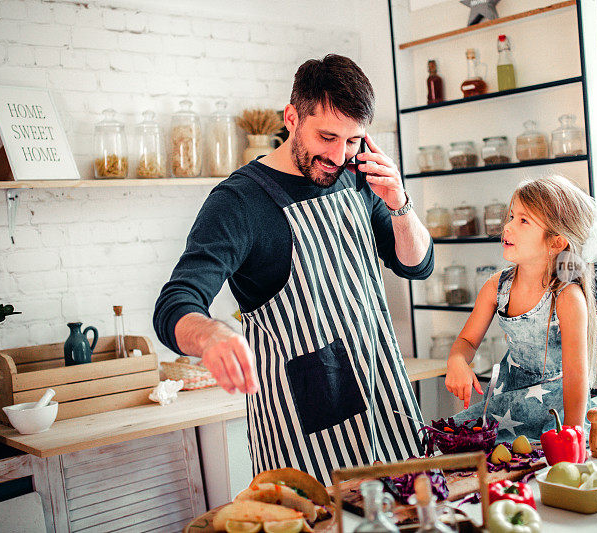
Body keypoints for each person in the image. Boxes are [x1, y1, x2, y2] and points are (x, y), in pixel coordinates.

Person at [153, 54, 434, 484]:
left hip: (384, 393)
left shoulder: (358, 175)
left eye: (354, 140)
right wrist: (211, 334)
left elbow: (415, 266)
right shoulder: (239, 203)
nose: (340, 156)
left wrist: (399, 203)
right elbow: (175, 302)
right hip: (303, 426)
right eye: (327, 137)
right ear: (292, 117)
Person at [444, 175, 597, 443]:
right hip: (508, 405)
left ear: (556, 242)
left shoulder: (567, 297)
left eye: (523, 221)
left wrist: (572, 436)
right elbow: (467, 341)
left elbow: (576, 381)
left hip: (556, 410)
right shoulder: (497, 287)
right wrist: (457, 361)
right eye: (511, 216)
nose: (507, 227)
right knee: (450, 438)